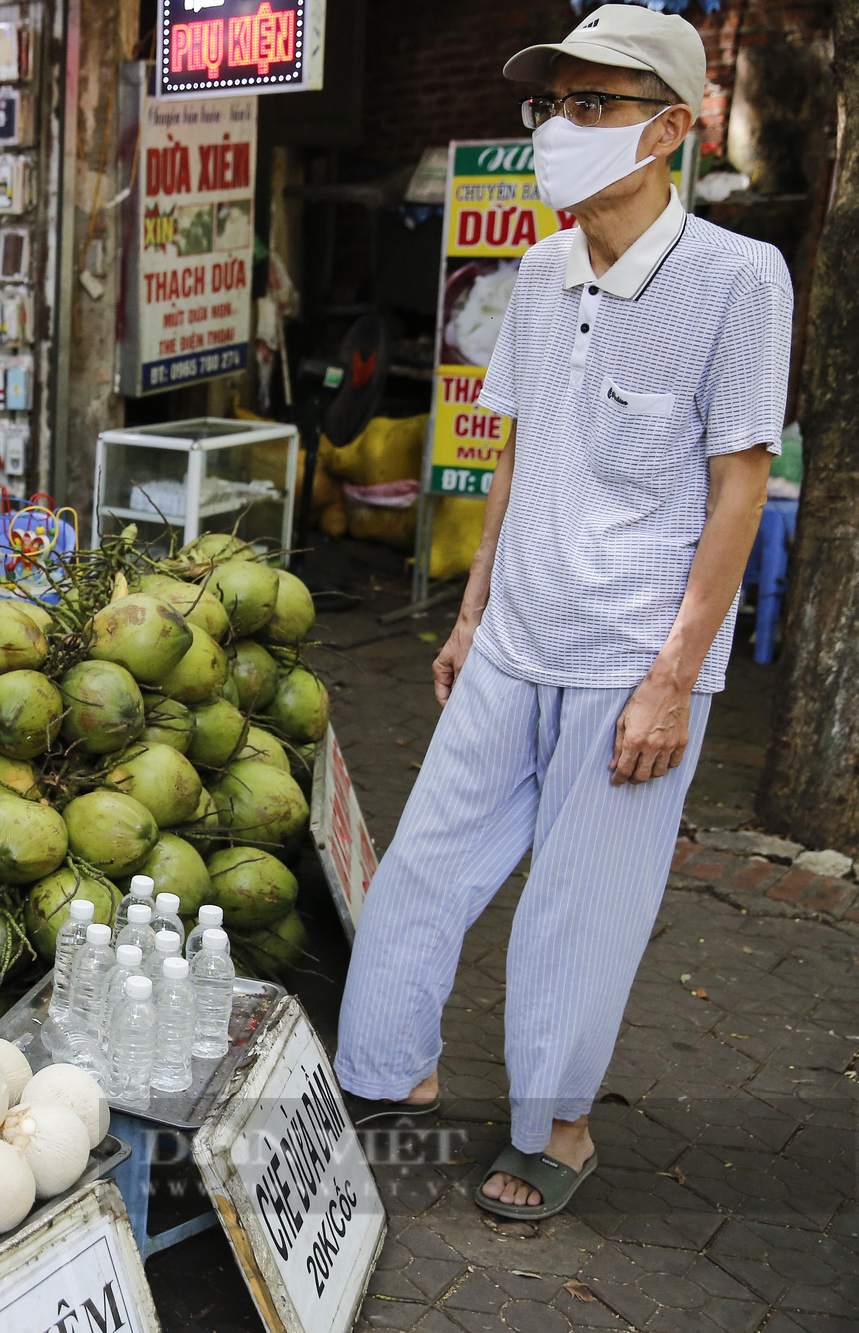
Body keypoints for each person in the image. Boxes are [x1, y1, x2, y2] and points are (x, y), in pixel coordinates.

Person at [334, 7, 790, 1222]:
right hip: (514, 634)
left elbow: (737, 478)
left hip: (628, 654)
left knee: (574, 914)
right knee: (422, 871)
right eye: (554, 106)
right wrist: (470, 610)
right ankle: (390, 1071)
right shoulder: (537, 269)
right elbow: (515, 448)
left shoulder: (739, 279)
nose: (559, 131)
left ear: (671, 128)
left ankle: (558, 1130)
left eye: (593, 107)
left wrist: (672, 675)